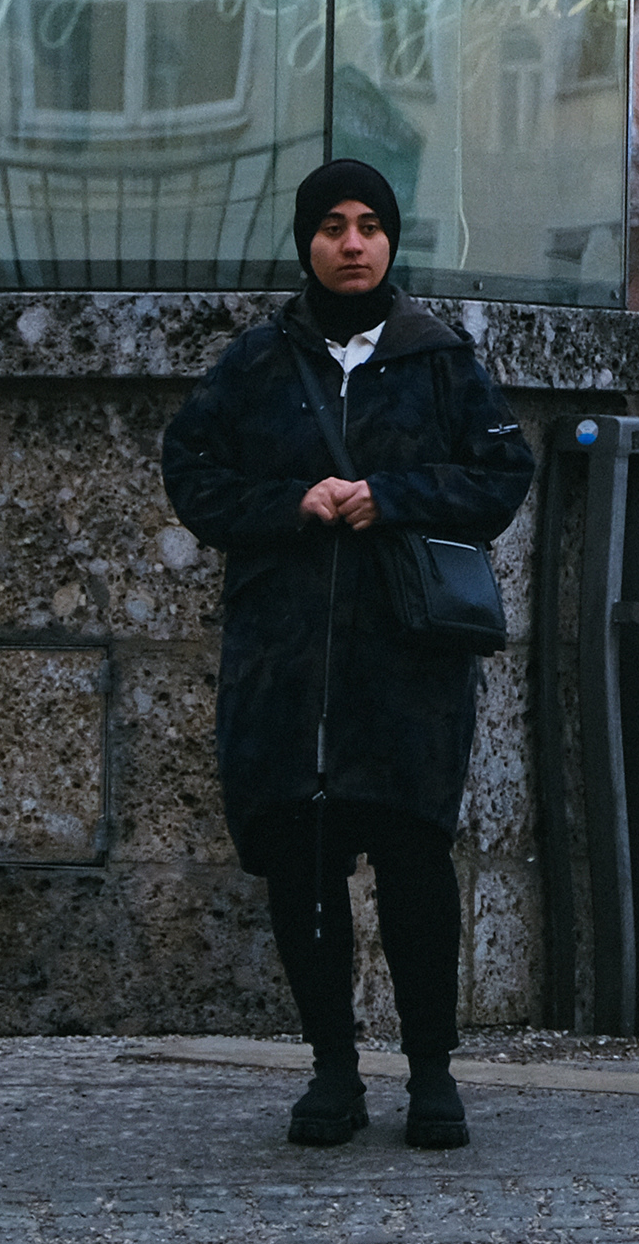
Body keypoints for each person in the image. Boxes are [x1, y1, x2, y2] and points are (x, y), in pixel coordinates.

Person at [161, 158, 538, 1151]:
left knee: (416, 861)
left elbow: (502, 470)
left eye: (369, 222)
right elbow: (191, 473)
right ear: (307, 240)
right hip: (286, 665)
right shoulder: (255, 363)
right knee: (305, 868)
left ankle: (431, 1071)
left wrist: (392, 494)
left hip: (405, 664)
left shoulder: (437, 357)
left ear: (391, 236)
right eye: (332, 223)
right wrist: (290, 505)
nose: (353, 240)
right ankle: (332, 1067)